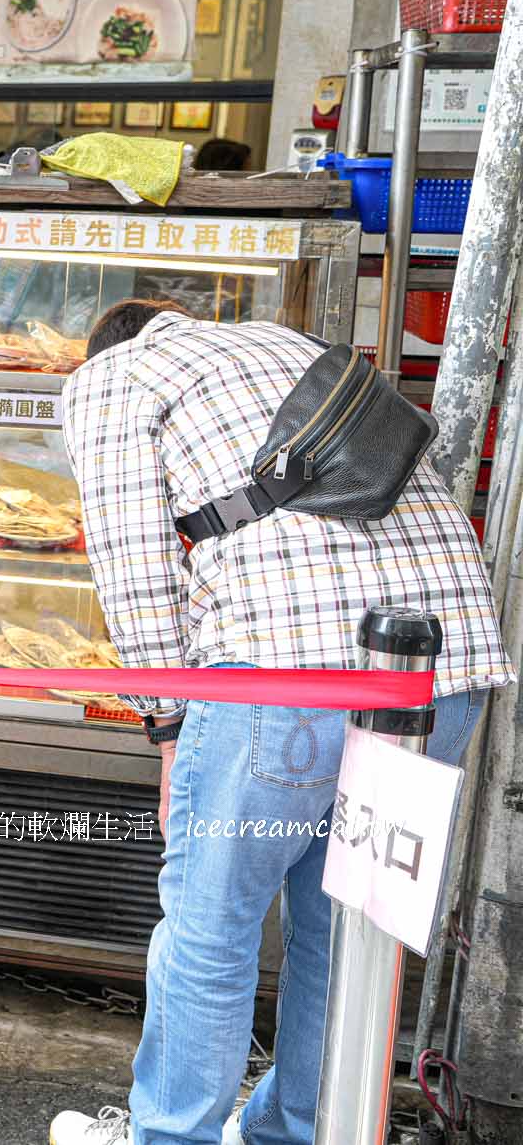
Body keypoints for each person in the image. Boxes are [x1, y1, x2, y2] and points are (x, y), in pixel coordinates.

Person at [48, 300, 509, 1145]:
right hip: (444, 670)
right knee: (348, 934)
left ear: (105, 346)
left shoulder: (113, 375)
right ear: (179, 319)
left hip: (285, 670)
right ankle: (297, 1131)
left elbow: (134, 571)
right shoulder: (285, 343)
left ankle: (171, 1137)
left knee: (211, 928)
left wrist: (168, 729)